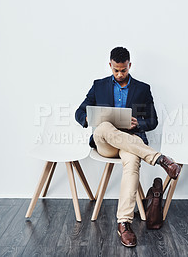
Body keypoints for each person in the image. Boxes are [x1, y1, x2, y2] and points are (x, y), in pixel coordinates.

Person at [75, 47, 181, 247]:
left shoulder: (142, 89)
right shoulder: (98, 86)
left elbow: (153, 120)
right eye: (116, 70)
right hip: (105, 142)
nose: (120, 74)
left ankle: (124, 223)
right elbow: (79, 111)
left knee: (132, 163)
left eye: (123, 70)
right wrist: (87, 118)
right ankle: (159, 159)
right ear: (110, 65)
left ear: (129, 65)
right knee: (105, 126)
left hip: (130, 142)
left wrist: (138, 124)